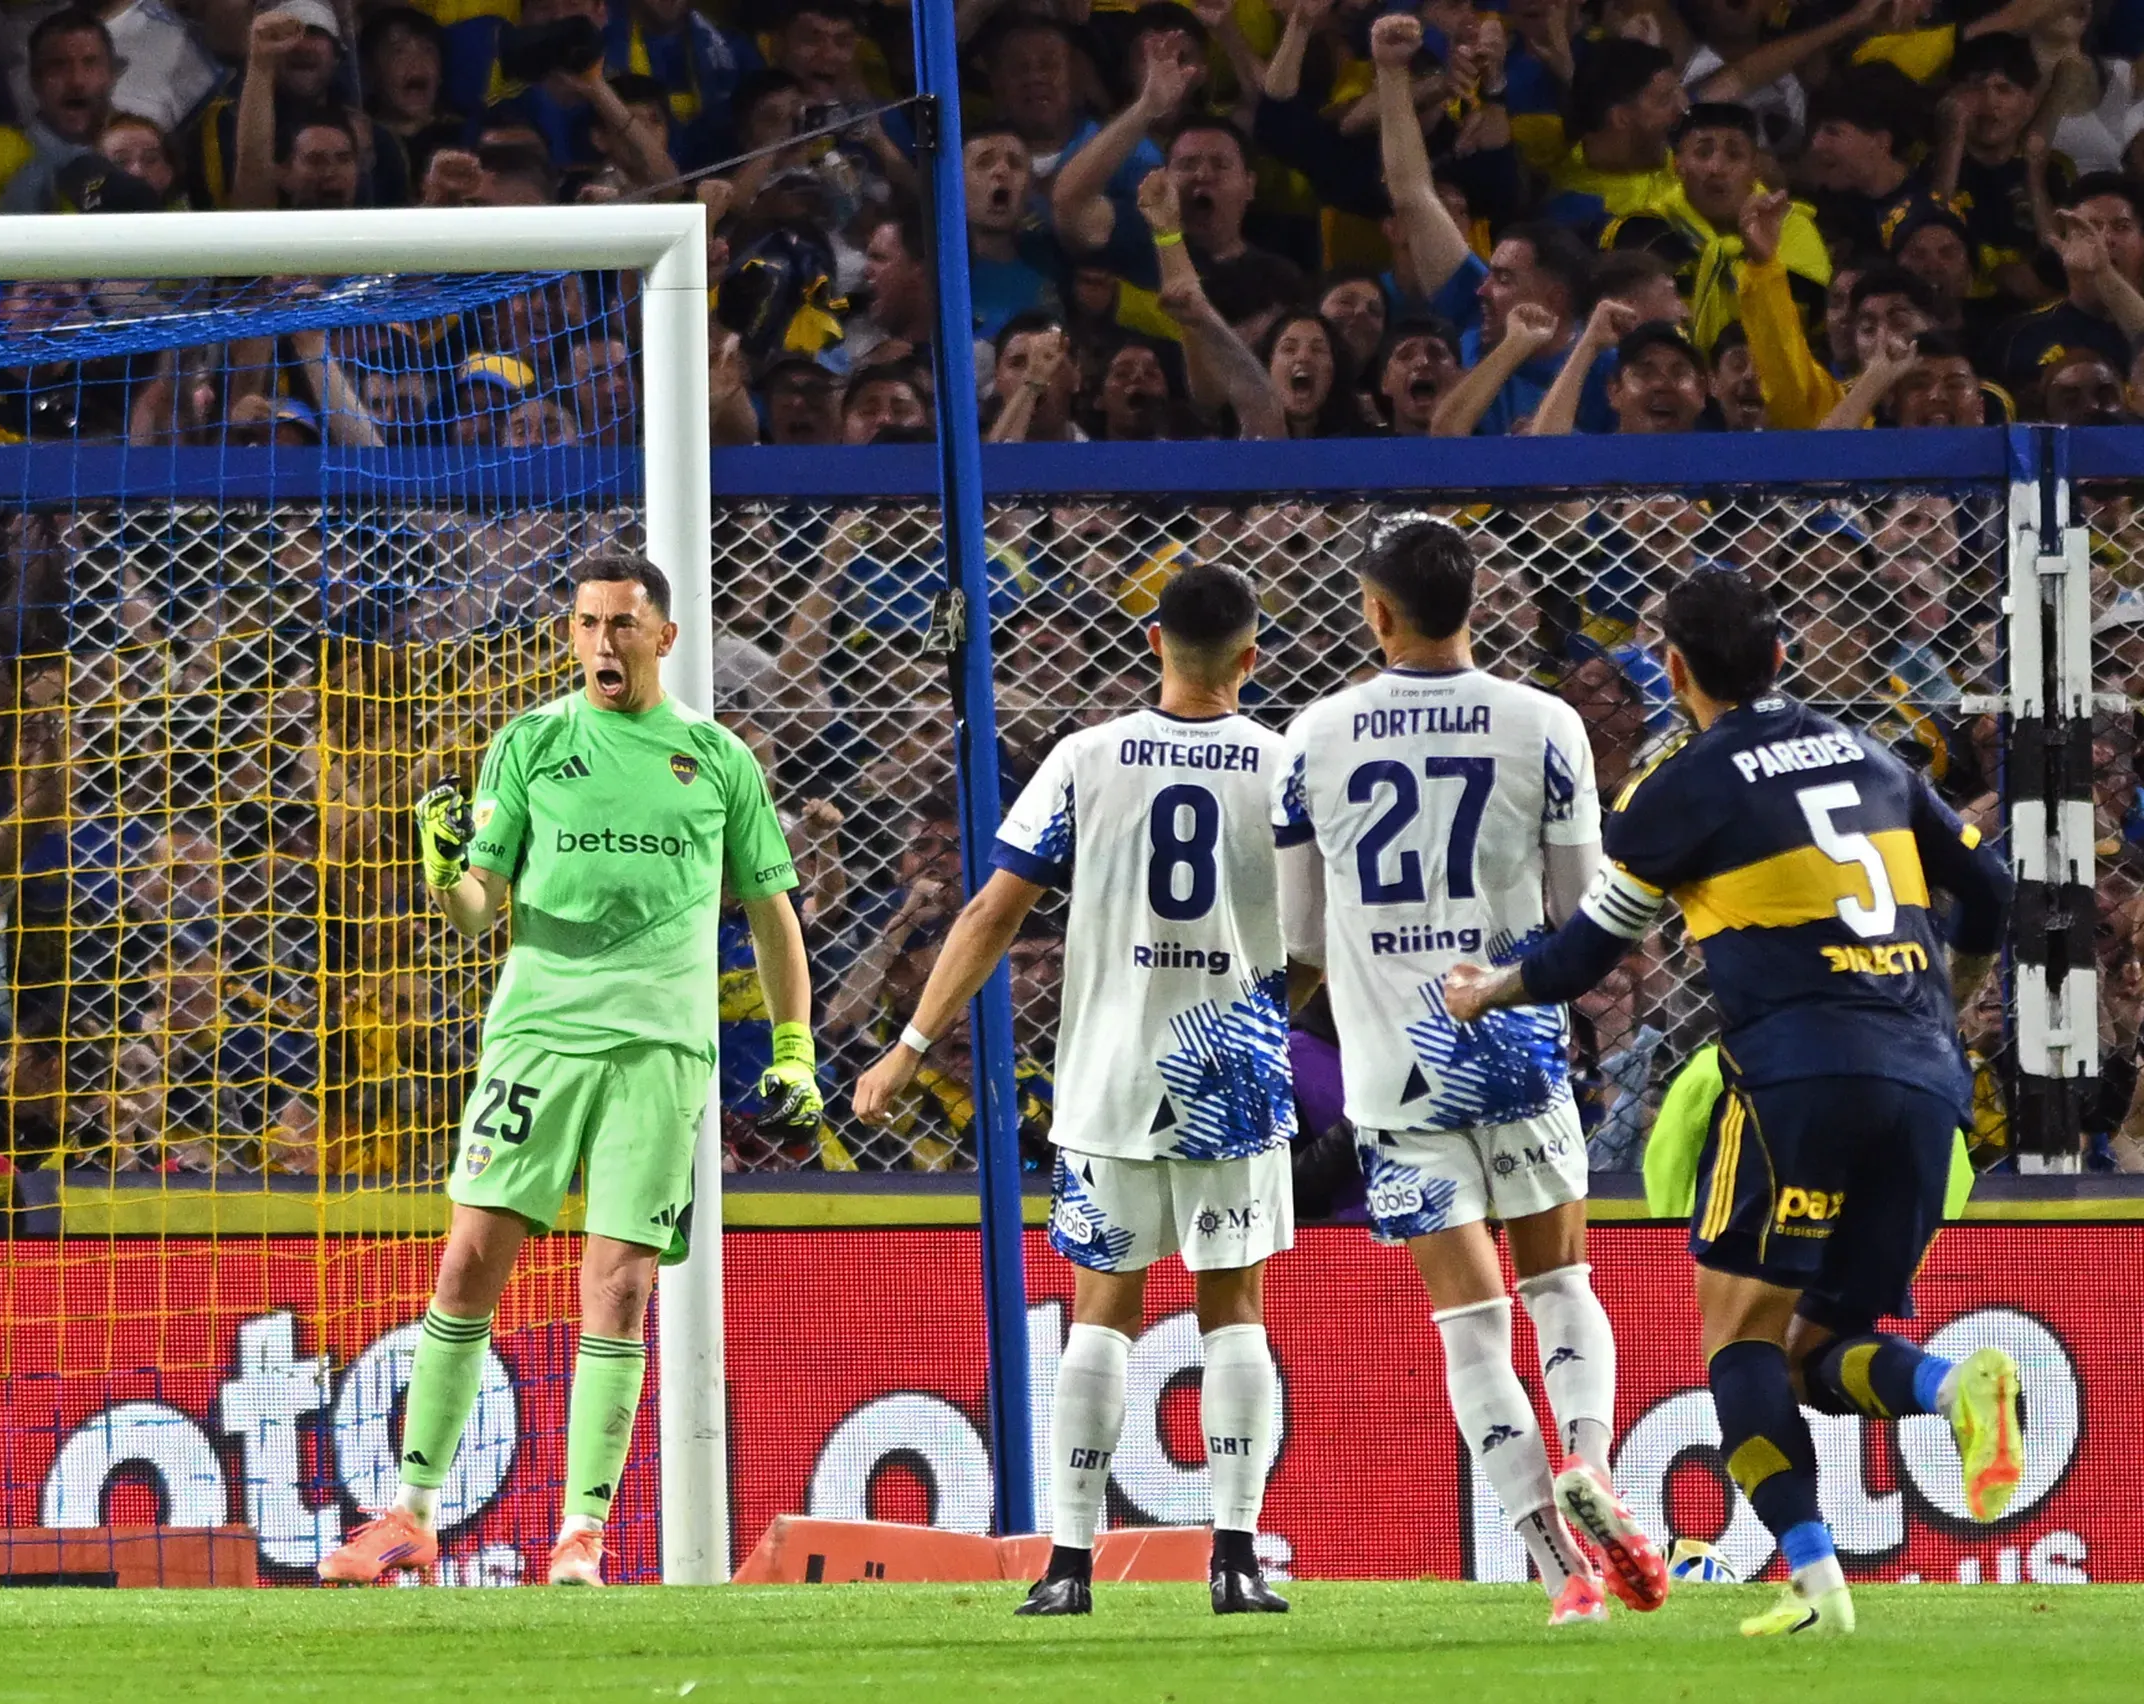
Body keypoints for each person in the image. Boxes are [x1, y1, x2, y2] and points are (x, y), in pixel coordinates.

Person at [1442, 565, 2022, 1638]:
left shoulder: (1679, 791)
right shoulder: (1873, 755)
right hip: (1924, 1084)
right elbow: (1991, 890)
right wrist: (1951, 998)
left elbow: (1584, 953)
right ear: (1782, 658)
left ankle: (1814, 1571)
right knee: (1814, 1350)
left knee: (1740, 1343)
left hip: (1798, 1079)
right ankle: (1946, 1397)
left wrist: (1493, 989)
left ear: (1673, 669)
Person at [317, 554, 820, 1588]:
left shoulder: (718, 760)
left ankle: (580, 1531)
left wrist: (794, 1044)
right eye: (588, 623)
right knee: (467, 1261)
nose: (602, 642)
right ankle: (412, 1512)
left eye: (622, 624)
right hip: (538, 1034)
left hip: (659, 1046)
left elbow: (772, 913)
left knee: (621, 1287)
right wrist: (440, 868)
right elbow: (478, 907)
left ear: (664, 637)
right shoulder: (532, 743)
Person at [852, 565, 1294, 1619]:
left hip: (1109, 1074)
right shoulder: (1286, 767)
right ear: (1251, 655)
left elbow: (993, 912)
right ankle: (1234, 1558)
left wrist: (910, 1041)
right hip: (1233, 1066)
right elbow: (1317, 932)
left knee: (1103, 1311)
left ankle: (1069, 1563)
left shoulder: (1086, 758)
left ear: (1152, 642)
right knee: (1232, 1304)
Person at [1271, 515, 1667, 1627]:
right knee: (1560, 1281)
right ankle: (1590, 1454)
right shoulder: (1545, 724)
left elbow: (1299, 928)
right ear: (1474, 603)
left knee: (1469, 1320)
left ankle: (1558, 1572)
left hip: (1394, 1069)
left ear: (1376, 610)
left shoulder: (1316, 734)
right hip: (1511, 1038)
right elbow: (1578, 904)